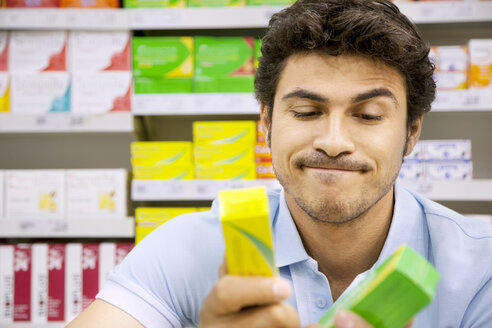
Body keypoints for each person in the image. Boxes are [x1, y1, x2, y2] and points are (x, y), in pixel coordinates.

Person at [67, 0, 492, 327]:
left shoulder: (480, 266)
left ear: (412, 132)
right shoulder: (188, 249)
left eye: (368, 116)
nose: (333, 142)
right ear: (267, 123)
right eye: (306, 112)